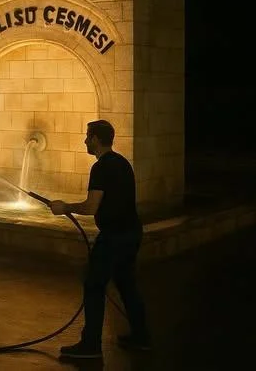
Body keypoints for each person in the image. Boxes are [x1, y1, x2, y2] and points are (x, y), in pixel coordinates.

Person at [49, 119, 151, 359]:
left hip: (114, 237)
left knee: (94, 285)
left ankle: (91, 346)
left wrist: (65, 207)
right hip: (131, 233)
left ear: (95, 139)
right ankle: (142, 337)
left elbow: (92, 206)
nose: (85, 141)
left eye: (87, 136)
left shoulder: (101, 167)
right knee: (127, 286)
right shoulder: (122, 163)